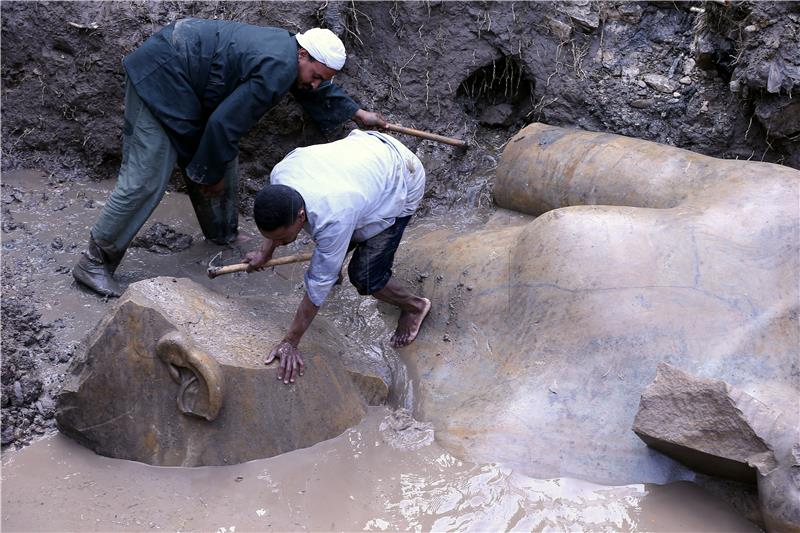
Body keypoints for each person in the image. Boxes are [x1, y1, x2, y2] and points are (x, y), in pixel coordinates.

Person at [72, 18, 386, 298]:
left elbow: (310, 89)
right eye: (316, 75)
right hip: (160, 77)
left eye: (322, 80)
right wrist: (212, 174)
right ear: (303, 55)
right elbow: (223, 124)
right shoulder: (279, 67)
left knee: (221, 157)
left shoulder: (290, 52)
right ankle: (94, 262)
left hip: (188, 83)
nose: (314, 84)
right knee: (147, 179)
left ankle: (223, 235)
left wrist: (358, 114)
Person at [246, 129, 431, 384]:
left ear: (301, 216)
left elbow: (317, 283)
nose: (279, 244)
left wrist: (290, 341)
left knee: (365, 276)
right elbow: (276, 215)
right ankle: (335, 265)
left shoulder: (333, 214)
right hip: (364, 158)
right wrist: (264, 252)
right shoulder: (280, 176)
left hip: (401, 176)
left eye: (282, 239)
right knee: (332, 247)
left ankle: (415, 306)